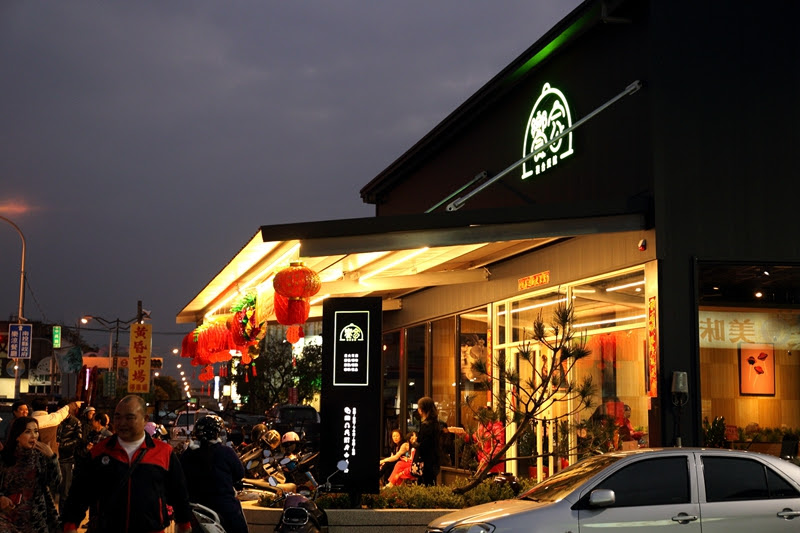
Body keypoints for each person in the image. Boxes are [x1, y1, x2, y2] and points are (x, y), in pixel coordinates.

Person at [61, 395, 193, 533]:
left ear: (145, 419)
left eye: (129, 417)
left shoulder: (164, 452)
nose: (122, 423)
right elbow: (80, 492)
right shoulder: (99, 452)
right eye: (117, 417)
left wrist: (184, 523)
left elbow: (179, 493)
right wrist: (70, 524)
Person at [180, 415, 247, 533]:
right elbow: (240, 473)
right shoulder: (226, 452)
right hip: (224, 507)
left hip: (195, 508)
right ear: (217, 433)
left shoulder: (187, 454)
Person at [0, 416, 62, 533]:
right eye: (28, 432)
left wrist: (52, 458)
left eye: (36, 431)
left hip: (35, 519)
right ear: (17, 436)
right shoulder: (5, 457)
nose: (34, 436)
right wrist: (1, 498)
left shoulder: (40, 457)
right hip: (8, 518)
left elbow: (56, 482)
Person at [55, 400, 83, 505]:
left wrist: (63, 445)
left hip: (67, 459)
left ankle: (63, 514)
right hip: (53, 457)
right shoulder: (55, 420)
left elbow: (78, 439)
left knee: (65, 492)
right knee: (51, 491)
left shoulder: (75, 422)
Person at [414, 396, 443, 486]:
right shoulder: (436, 423)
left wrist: (414, 443)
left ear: (422, 409)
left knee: (425, 484)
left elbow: (424, 445)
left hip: (426, 461)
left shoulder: (426, 425)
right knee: (431, 484)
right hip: (435, 459)